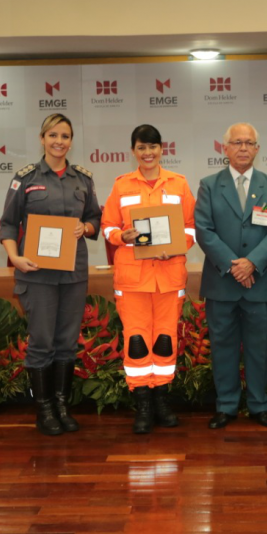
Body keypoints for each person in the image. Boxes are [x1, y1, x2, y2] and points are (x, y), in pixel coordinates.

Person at [0, 113, 101, 436]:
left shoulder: (82, 178)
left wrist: (84, 227)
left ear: (71, 141)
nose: (60, 141)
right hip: (37, 273)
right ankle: (43, 410)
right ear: (42, 139)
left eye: (66, 136)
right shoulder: (25, 178)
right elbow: (8, 223)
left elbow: (94, 219)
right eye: (53, 135)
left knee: (67, 343)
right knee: (41, 341)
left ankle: (61, 404)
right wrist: (14, 257)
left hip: (73, 273)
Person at [101, 124, 196, 434]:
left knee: (165, 339)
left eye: (153, 147)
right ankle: (142, 403)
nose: (148, 153)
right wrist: (120, 236)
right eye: (141, 147)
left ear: (161, 149)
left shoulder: (179, 184)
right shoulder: (121, 185)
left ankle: (162, 401)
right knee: (138, 340)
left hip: (168, 276)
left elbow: (192, 227)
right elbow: (107, 227)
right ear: (133, 151)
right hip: (132, 278)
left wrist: (177, 246)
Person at [196, 123, 267, 429]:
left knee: (259, 347)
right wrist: (235, 264)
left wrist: (252, 263)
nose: (244, 147)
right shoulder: (209, 184)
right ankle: (226, 406)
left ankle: (260, 405)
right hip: (222, 282)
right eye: (237, 142)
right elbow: (204, 231)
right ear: (225, 148)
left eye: (250, 142)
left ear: (258, 149)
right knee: (222, 346)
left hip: (258, 282)